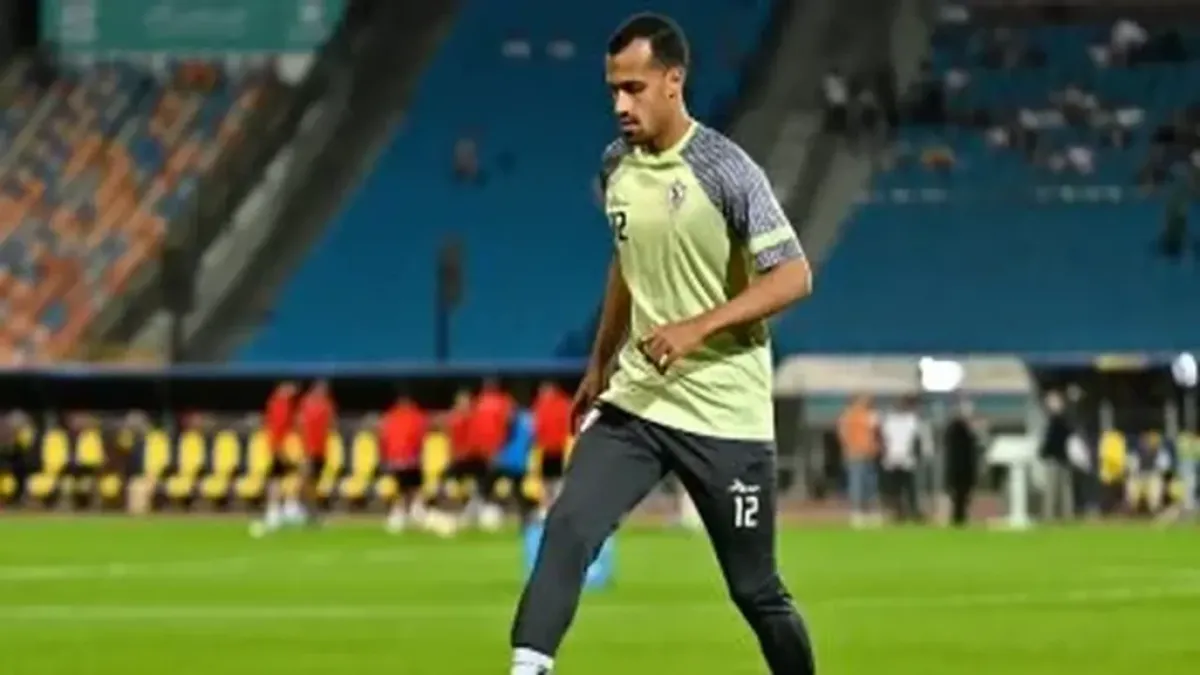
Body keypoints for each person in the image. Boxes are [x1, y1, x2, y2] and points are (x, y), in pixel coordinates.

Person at [509, 14, 815, 675]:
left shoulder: (726, 170)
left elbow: (794, 275)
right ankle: (528, 668)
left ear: (673, 82)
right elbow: (627, 259)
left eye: (635, 88)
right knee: (568, 527)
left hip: (724, 411)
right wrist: (600, 362)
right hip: (640, 400)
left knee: (756, 590)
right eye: (613, 90)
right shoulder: (616, 165)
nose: (621, 105)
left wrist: (698, 326)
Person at [469, 378, 515, 529]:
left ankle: (483, 507)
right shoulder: (504, 401)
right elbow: (510, 421)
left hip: (482, 447)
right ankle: (486, 508)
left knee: (486, 478)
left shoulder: (478, 401)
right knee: (491, 477)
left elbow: (473, 423)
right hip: (496, 447)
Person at [379, 394, 428, 533]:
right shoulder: (415, 416)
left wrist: (386, 457)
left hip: (398, 459)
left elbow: (384, 438)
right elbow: (419, 437)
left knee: (403, 488)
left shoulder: (391, 416)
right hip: (408, 459)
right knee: (410, 488)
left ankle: (402, 514)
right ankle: (410, 512)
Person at [259, 381, 297, 532]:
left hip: (280, 446)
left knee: (284, 477)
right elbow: (277, 428)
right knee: (276, 478)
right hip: (279, 447)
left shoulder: (282, 403)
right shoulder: (279, 404)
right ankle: (276, 511)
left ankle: (285, 508)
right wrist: (279, 449)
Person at [837, 395, 880, 528]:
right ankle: (857, 512)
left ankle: (870, 511)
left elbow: (875, 433)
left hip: (868, 454)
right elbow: (843, 434)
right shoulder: (848, 415)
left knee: (870, 484)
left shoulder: (869, 415)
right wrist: (848, 449)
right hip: (855, 454)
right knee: (857, 484)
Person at [880, 395, 925, 523]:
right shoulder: (911, 420)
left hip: (896, 458)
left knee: (900, 489)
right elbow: (917, 439)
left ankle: (902, 513)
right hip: (902, 458)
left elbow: (884, 439)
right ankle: (908, 513)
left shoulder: (890, 420)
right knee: (907, 489)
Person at [297, 380, 335, 526]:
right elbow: (301, 425)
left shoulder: (327, 405)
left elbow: (330, 424)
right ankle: (302, 509)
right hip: (308, 450)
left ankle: (311, 512)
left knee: (313, 482)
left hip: (320, 450)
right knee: (306, 481)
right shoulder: (307, 403)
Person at [943, 397, 985, 527]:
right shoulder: (959, 431)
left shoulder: (957, 431)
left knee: (962, 496)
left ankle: (959, 518)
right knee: (959, 496)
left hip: (963, 468)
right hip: (960, 468)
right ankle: (958, 518)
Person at [531, 381, 572, 510]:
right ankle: (554, 505)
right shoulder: (564, 403)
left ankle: (549, 505)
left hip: (550, 448)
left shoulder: (544, 404)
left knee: (549, 479)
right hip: (556, 447)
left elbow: (538, 426)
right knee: (554, 479)